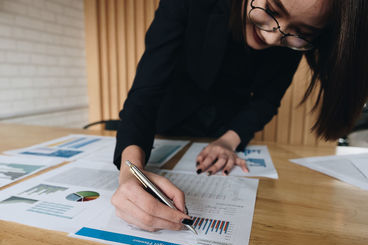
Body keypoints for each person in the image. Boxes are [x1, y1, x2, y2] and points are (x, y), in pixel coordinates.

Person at [111, 0, 368, 232]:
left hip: (224, 129)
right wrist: (130, 171)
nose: (271, 37)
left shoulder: (290, 39)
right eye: (271, 10)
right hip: (166, 123)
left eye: (300, 33)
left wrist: (228, 140)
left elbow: (267, 100)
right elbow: (147, 88)